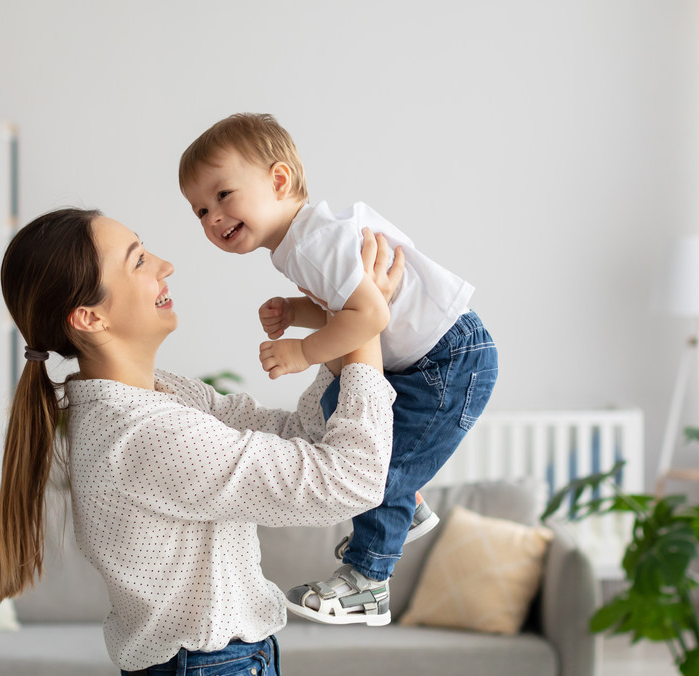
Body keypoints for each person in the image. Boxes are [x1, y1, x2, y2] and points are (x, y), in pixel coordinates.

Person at [0, 207, 404, 674]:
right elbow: (351, 483)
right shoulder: (144, 434)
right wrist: (366, 329)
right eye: (139, 261)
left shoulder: (161, 396)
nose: (165, 266)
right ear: (89, 317)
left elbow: (297, 435)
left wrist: (343, 333)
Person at [179, 113, 499, 626]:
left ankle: (370, 580)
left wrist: (302, 351)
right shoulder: (300, 245)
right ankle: (407, 505)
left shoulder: (312, 243)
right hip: (422, 356)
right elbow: (350, 306)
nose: (212, 216)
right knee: (340, 406)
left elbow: (370, 315)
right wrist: (297, 311)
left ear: (279, 180)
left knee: (369, 470)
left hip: (446, 358)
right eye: (198, 210)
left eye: (222, 195)